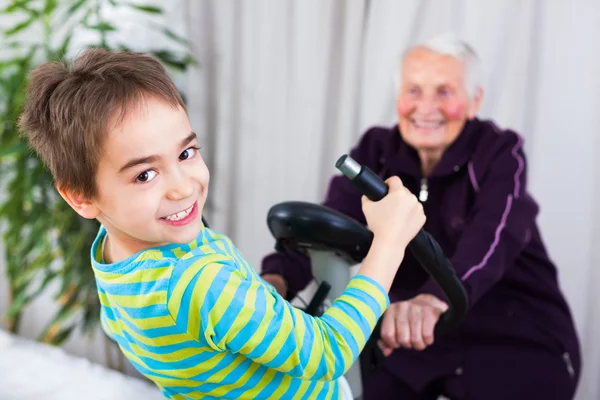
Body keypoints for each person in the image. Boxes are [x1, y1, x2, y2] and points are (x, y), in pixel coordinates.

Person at [18, 48, 427, 400]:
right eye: (145, 175)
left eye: (186, 153)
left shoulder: (113, 255)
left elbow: (199, 325)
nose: (182, 188)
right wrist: (390, 241)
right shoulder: (198, 283)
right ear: (80, 197)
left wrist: (256, 301)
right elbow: (326, 352)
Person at [261, 32, 581, 399]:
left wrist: (433, 299)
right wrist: (274, 281)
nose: (425, 107)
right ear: (398, 99)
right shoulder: (376, 150)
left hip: (513, 329)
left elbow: (492, 238)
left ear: (473, 100)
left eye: (444, 92)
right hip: (420, 337)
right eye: (413, 90)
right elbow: (327, 227)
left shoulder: (499, 150)